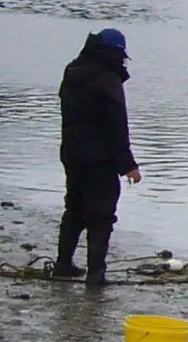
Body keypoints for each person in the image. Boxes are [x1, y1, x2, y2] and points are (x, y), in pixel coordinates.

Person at [56, 28, 141, 285]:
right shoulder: (108, 80)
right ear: (114, 54)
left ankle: (62, 265)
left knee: (74, 210)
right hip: (99, 160)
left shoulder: (72, 72)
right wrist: (128, 165)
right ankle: (96, 274)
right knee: (101, 216)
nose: (122, 62)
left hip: (72, 154)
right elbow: (117, 126)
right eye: (121, 56)